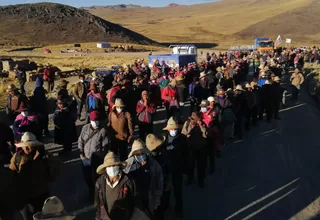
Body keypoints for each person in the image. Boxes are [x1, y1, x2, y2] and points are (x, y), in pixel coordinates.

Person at [9, 132, 51, 220]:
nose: (26, 148)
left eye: (29, 145)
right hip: (24, 197)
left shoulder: (44, 156)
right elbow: (11, 174)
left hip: (41, 194)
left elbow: (54, 170)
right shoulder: (17, 157)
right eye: (25, 145)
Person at [95, 152, 141, 220]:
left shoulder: (129, 181)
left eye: (114, 165)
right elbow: (97, 203)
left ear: (119, 166)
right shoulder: (100, 182)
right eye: (109, 166)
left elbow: (135, 203)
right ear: (105, 168)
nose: (112, 168)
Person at [124, 139, 163, 218]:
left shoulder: (154, 165)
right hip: (134, 200)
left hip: (149, 198)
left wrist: (157, 200)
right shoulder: (127, 165)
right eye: (137, 154)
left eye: (142, 153)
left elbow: (159, 183)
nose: (140, 155)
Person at [78, 111, 109, 201]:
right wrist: (81, 154)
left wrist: (101, 157)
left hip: (97, 159)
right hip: (86, 158)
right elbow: (80, 141)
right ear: (90, 120)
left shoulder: (103, 131)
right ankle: (91, 191)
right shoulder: (85, 128)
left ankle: (97, 194)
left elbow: (105, 147)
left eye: (97, 120)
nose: (95, 122)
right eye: (93, 120)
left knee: (97, 178)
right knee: (87, 177)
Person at [162, 117, 186, 218]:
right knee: (166, 190)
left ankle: (179, 210)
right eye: (171, 129)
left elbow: (186, 154)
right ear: (168, 130)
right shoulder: (164, 140)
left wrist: (185, 167)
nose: (173, 131)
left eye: (175, 129)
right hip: (166, 169)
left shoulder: (183, 139)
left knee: (178, 190)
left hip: (178, 168)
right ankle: (166, 208)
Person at [145, 134, 171, 220]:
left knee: (162, 207)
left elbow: (167, 169)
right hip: (155, 188)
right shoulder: (148, 159)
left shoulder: (162, 154)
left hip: (162, 185)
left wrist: (167, 182)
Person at [181, 112, 207, 188]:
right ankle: (190, 179)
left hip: (201, 148)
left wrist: (201, 125)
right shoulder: (187, 123)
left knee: (201, 166)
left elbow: (205, 135)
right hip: (191, 148)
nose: (193, 120)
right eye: (192, 119)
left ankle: (201, 181)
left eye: (194, 119)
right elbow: (183, 134)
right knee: (190, 165)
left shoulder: (202, 124)